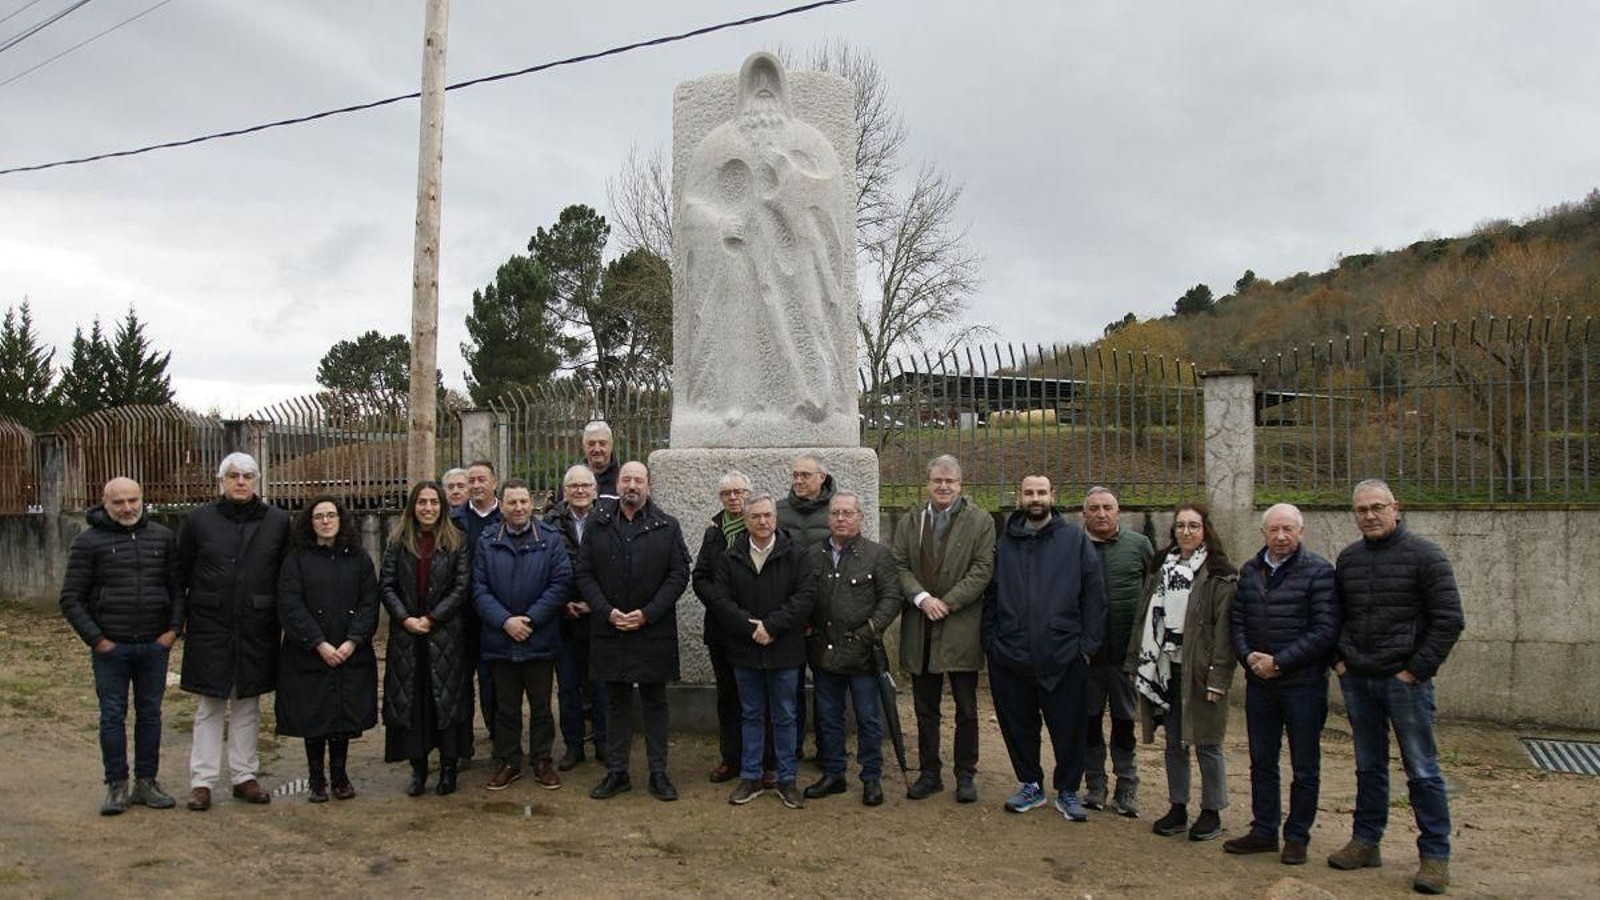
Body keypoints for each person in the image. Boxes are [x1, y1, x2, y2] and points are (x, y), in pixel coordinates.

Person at [1327, 480, 1464, 896]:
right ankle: (1366, 841)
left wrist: (1415, 670)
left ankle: (1435, 856)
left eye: (1377, 507)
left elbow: (1449, 619)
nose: (1369, 515)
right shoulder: (1348, 559)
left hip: (1404, 682)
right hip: (1359, 680)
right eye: (1361, 510)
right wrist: (1340, 662)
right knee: (1368, 766)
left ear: (1395, 508)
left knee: (1422, 769)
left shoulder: (1426, 556)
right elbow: (1336, 615)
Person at [984, 476, 1105, 822]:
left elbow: (1094, 597)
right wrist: (991, 642)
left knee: (1069, 728)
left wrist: (1086, 648)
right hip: (1011, 655)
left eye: (1041, 492)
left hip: (1064, 655)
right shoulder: (1005, 543)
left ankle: (1068, 791)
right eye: (1028, 493)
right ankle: (1030, 785)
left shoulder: (1074, 541)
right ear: (1019, 497)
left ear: (1053, 496)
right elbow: (991, 595)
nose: (1035, 498)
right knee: (1019, 726)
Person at [59, 477, 182, 815]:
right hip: (112, 649)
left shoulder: (162, 537)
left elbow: (177, 590)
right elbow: (71, 598)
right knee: (112, 716)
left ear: (143, 499)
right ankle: (116, 785)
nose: (127, 508)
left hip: (154, 647)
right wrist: (98, 641)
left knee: (151, 715)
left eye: (133, 500)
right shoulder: (89, 542)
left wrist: (172, 631)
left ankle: (147, 781)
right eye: (119, 502)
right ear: (105, 502)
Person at [1224, 503, 1339, 864]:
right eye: (1274, 530)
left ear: (1300, 532)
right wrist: (1249, 658)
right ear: (1264, 533)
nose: (1281, 536)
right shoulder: (1251, 570)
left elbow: (1324, 630)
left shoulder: (1319, 571)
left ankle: (1297, 835)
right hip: (1260, 684)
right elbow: (1237, 622)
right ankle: (1263, 830)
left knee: (1304, 764)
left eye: (1288, 529)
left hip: (1303, 684)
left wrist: (1281, 662)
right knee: (1262, 760)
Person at [178, 451, 291, 811]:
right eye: (233, 475)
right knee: (209, 704)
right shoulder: (198, 521)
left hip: (257, 625)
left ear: (257, 481)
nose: (241, 481)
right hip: (210, 625)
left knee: (248, 703)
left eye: (248, 476)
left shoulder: (277, 521)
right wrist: (178, 621)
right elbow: (181, 573)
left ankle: (244, 775)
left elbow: (286, 574)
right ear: (221, 481)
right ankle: (203, 781)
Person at [573, 461, 691, 802]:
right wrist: (606, 612)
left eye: (639, 480)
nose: (632, 485)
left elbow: (679, 574)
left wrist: (648, 613)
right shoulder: (598, 523)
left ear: (648, 485)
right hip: (610, 628)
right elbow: (583, 573)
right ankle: (617, 772)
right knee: (615, 702)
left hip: (651, 629)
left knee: (655, 702)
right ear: (618, 484)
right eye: (626, 479)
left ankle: (658, 773)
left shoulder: (667, 526)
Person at [1128, 503, 1238, 842]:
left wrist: (1219, 678)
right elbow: (1145, 615)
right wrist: (1136, 661)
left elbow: (1225, 633)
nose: (1186, 532)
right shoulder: (1161, 567)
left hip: (1201, 671)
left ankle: (1211, 810)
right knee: (1174, 742)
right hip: (1166, 669)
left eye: (1193, 526)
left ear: (1205, 530)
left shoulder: (1220, 574)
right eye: (1180, 526)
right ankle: (1178, 806)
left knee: (1207, 742)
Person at [892, 454, 995, 803]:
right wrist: (922, 598)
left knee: (966, 707)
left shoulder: (980, 520)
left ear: (960, 484)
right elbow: (899, 564)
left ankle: (965, 774)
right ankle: (929, 772)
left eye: (950, 481)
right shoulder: (911, 520)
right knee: (925, 708)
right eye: (937, 480)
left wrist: (947, 602)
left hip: (960, 627)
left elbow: (982, 569)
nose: (944, 486)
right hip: (920, 626)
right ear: (928, 483)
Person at [707, 493, 816, 809]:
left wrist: (772, 626)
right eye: (755, 516)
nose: (763, 521)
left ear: (775, 518)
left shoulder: (796, 554)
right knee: (750, 714)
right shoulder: (731, 557)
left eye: (768, 515)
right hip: (744, 648)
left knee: (785, 716)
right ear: (747, 520)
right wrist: (748, 626)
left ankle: (786, 780)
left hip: (784, 648)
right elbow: (721, 600)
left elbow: (805, 597)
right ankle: (750, 777)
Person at [275, 496, 380, 802]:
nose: (325, 521)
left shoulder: (358, 558)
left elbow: (368, 603)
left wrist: (352, 641)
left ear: (340, 519)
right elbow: (290, 604)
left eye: (331, 515)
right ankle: (316, 778)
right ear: (310, 522)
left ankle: (340, 775)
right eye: (319, 516)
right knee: (313, 715)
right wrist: (318, 643)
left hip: (349, 651)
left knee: (341, 716)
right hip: (309, 652)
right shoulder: (295, 559)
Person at [803, 490, 901, 807]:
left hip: (863, 654)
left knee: (869, 720)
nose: (841, 518)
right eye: (835, 513)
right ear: (828, 517)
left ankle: (871, 778)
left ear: (861, 517)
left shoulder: (878, 555)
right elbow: (803, 594)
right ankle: (834, 774)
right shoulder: (813, 554)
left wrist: (869, 631)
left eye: (848, 513)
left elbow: (891, 599)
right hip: (824, 652)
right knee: (829, 717)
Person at [473, 478, 572, 792]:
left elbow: (560, 583)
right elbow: (478, 588)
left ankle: (542, 761)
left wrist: (529, 619)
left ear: (533, 504)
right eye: (512, 502)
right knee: (506, 708)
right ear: (500, 506)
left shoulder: (550, 539)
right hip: (500, 639)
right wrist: (505, 621)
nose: (518, 508)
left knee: (542, 706)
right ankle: (508, 761)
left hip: (539, 637)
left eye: (523, 502)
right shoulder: (487, 540)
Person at [380, 481, 474, 797]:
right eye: (422, 502)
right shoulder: (397, 541)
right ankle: (418, 770)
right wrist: (405, 618)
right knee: (414, 704)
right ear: (413, 506)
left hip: (445, 635)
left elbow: (462, 587)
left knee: (446, 703)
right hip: (408, 637)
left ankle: (448, 770)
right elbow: (387, 585)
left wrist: (433, 618)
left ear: (442, 507)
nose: (428, 508)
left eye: (434, 502)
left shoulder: (457, 541)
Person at [690, 470, 775, 785]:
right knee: (728, 696)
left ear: (748, 493)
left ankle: (767, 760)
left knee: (760, 697)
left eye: (739, 492)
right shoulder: (714, 532)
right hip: (721, 628)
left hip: (755, 627)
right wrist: (722, 605)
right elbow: (700, 577)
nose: (733, 498)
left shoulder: (758, 530)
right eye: (727, 493)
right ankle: (731, 757)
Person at [1079, 486, 1153, 817]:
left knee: (1124, 722)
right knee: (1089, 722)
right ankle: (1095, 786)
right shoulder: (1074, 546)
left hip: (1126, 656)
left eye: (1107, 507)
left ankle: (1127, 788)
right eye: (1094, 508)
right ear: (1084, 515)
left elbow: (1153, 593)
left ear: (1118, 511)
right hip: (1087, 656)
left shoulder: (1139, 546)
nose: (1101, 514)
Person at [545, 465, 607, 771]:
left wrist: (594, 605)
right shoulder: (549, 522)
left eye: (585, 485)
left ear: (595, 490)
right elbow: (545, 570)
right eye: (574, 486)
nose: (580, 490)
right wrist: (564, 603)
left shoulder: (609, 519)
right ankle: (572, 746)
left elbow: (614, 569)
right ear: (564, 490)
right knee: (568, 686)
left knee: (601, 685)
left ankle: (604, 744)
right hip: (564, 618)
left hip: (600, 618)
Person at [776, 452, 836, 760]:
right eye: (795, 475)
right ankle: (793, 748)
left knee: (827, 688)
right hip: (792, 613)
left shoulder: (837, 511)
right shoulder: (778, 511)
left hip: (828, 611)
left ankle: (827, 750)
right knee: (791, 688)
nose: (798, 480)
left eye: (805, 475)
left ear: (821, 478)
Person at [451, 459, 502, 755]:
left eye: (482, 479)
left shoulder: (507, 516)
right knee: (460, 682)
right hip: (461, 615)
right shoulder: (454, 521)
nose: (476, 485)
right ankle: (463, 744)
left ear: (494, 482)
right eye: (471, 480)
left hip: (494, 615)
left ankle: (499, 740)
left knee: (493, 682)